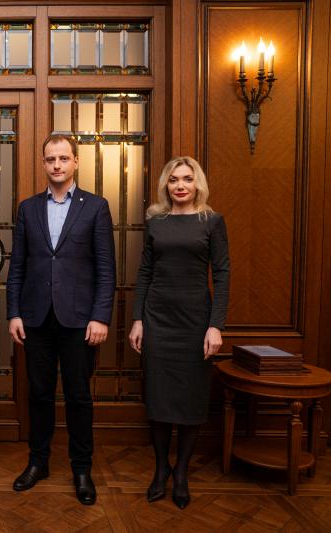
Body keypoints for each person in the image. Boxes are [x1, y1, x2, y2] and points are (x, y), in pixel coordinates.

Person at [7, 135, 116, 505]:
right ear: (43, 163)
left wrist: (101, 316)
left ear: (75, 162)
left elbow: (106, 269)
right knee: (38, 394)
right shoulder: (28, 208)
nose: (57, 165)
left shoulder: (96, 207)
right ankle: (38, 462)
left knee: (78, 396)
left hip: (79, 320)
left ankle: (81, 469)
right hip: (35, 318)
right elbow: (17, 266)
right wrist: (14, 312)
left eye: (63, 158)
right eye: (51, 159)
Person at [128, 156, 230, 510]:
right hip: (157, 320)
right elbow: (144, 272)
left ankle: (182, 472)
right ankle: (161, 468)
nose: (180, 185)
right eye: (173, 180)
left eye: (187, 178)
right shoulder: (155, 222)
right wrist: (138, 319)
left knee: (190, 401)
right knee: (159, 401)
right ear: (166, 185)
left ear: (197, 183)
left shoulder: (212, 222)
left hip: (196, 323)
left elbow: (222, 275)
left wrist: (216, 325)